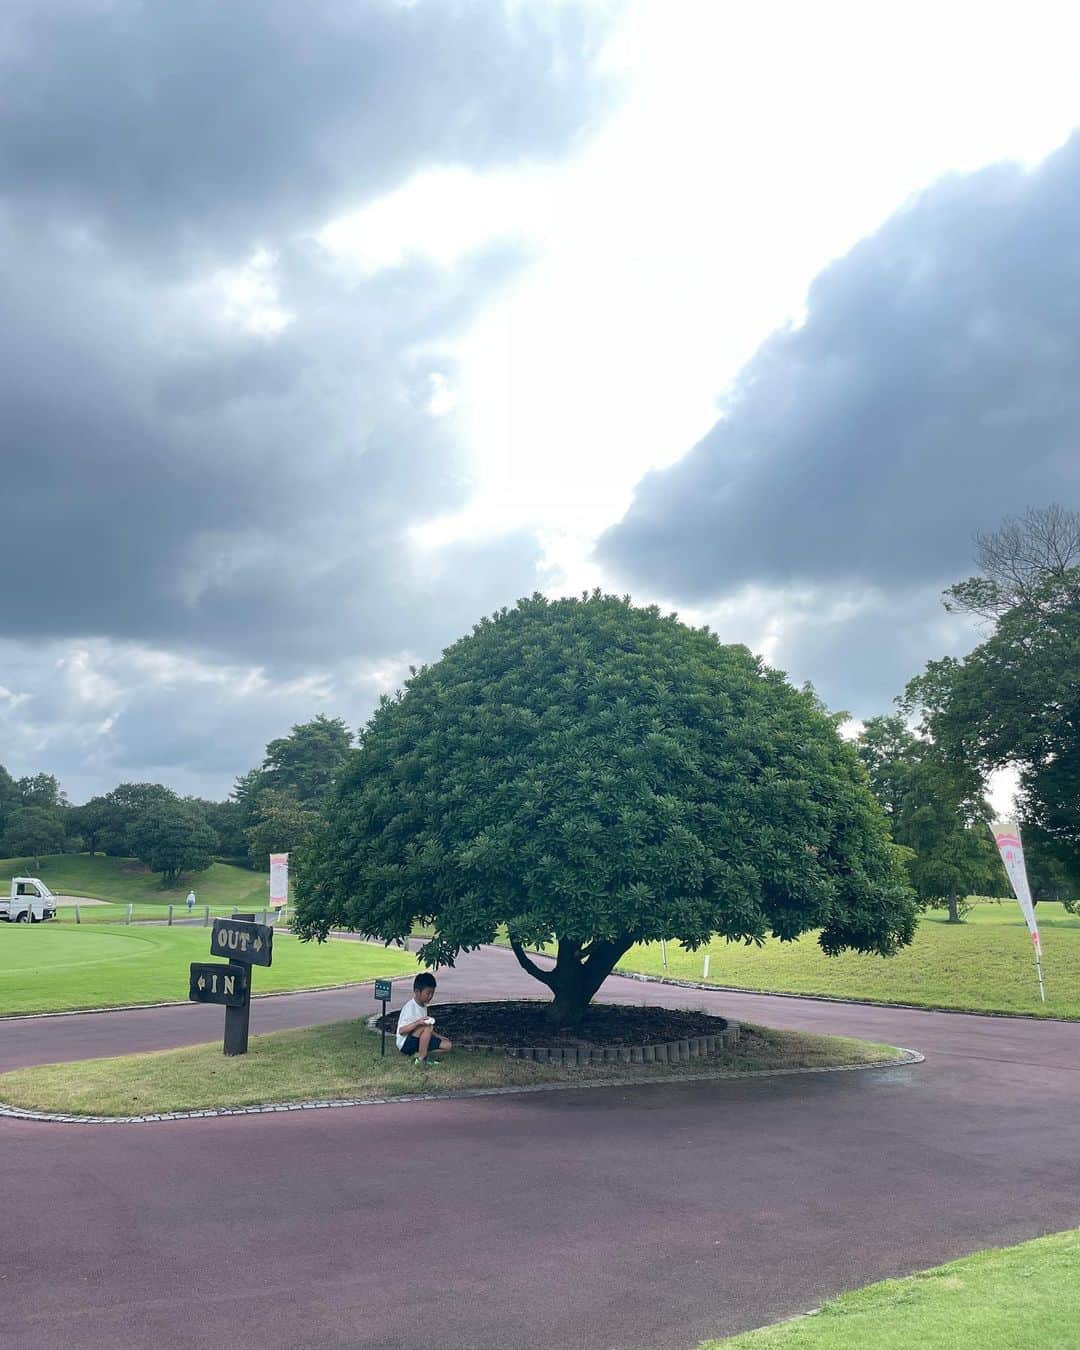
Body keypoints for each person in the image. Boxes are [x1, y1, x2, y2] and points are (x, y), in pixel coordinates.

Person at [395, 972, 453, 1068]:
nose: (430, 996)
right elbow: (401, 1031)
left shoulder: (423, 1006)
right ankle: (421, 1059)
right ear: (417, 992)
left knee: (447, 1045)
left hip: (419, 1040)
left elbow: (428, 1030)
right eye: (428, 993)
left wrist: (439, 1036)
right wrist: (418, 1023)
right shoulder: (410, 1007)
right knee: (426, 1026)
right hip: (406, 1044)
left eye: (432, 993)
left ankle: (420, 1053)